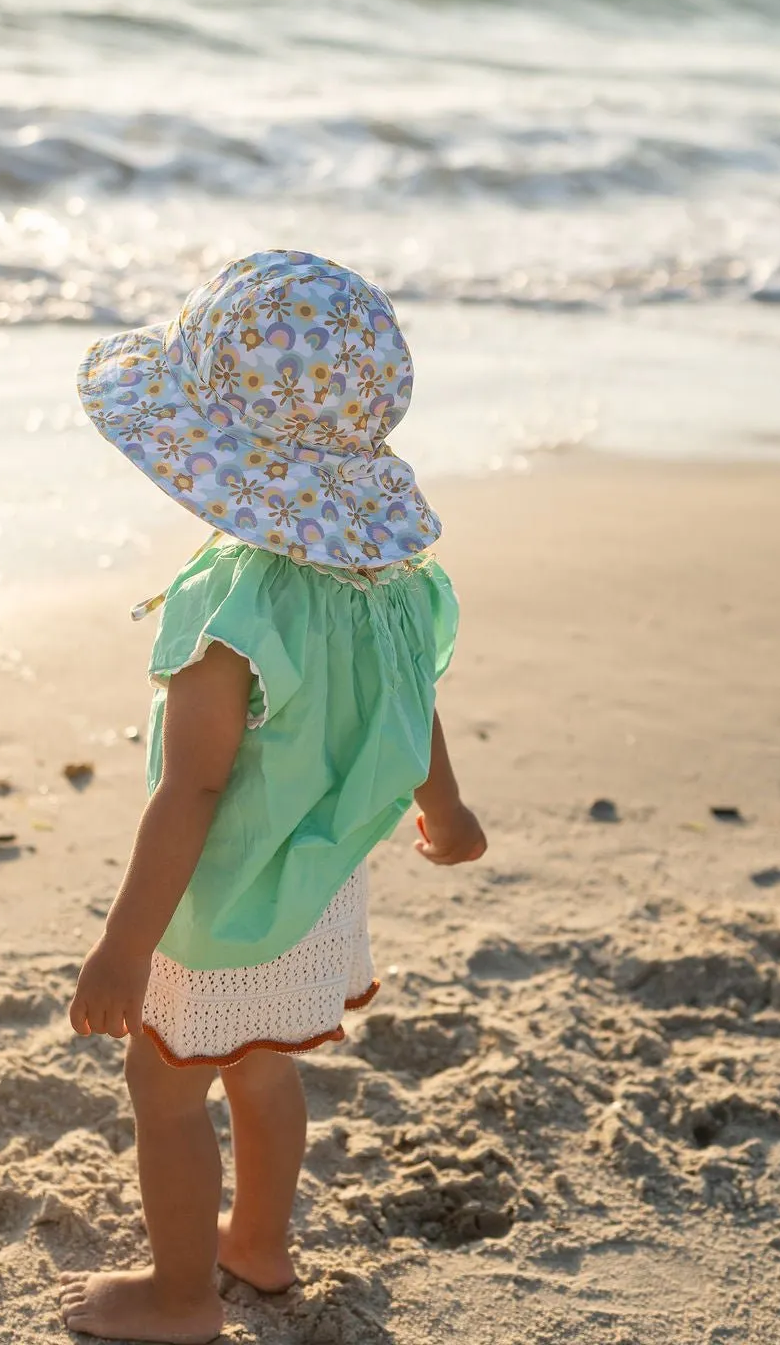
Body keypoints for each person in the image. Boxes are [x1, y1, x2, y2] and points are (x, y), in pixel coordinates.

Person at [61, 250, 487, 1343]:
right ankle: (256, 1243)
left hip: (225, 898)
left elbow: (193, 791)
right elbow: (410, 705)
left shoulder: (233, 598)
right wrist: (443, 807)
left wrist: (124, 947)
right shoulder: (393, 581)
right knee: (258, 1068)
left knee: (164, 1089)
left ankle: (184, 1296)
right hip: (318, 889)